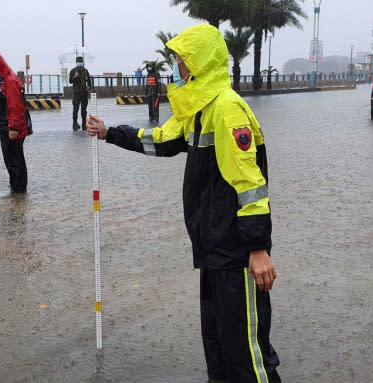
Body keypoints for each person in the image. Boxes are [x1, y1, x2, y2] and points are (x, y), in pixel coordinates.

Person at [87, 24, 280, 382]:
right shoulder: (199, 109)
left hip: (237, 257)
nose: (175, 66)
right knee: (219, 352)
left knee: (248, 359)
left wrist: (257, 249)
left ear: (198, 62)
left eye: (180, 59)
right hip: (212, 254)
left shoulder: (226, 109)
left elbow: (250, 185)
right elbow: (161, 139)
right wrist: (110, 133)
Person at [0, 51, 29, 194]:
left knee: (15, 161)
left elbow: (14, 107)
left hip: (12, 130)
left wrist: (13, 128)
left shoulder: (10, 81)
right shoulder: (3, 82)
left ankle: (19, 190)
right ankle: (15, 187)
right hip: (6, 130)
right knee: (10, 161)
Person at [69, 56, 91, 131]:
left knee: (84, 110)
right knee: (75, 109)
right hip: (76, 93)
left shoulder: (85, 71)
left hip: (84, 93)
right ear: (76, 62)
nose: (80, 63)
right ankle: (75, 123)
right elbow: (70, 81)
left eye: (81, 62)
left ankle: (84, 124)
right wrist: (74, 77)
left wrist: (89, 86)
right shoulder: (73, 71)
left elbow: (89, 81)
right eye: (78, 62)